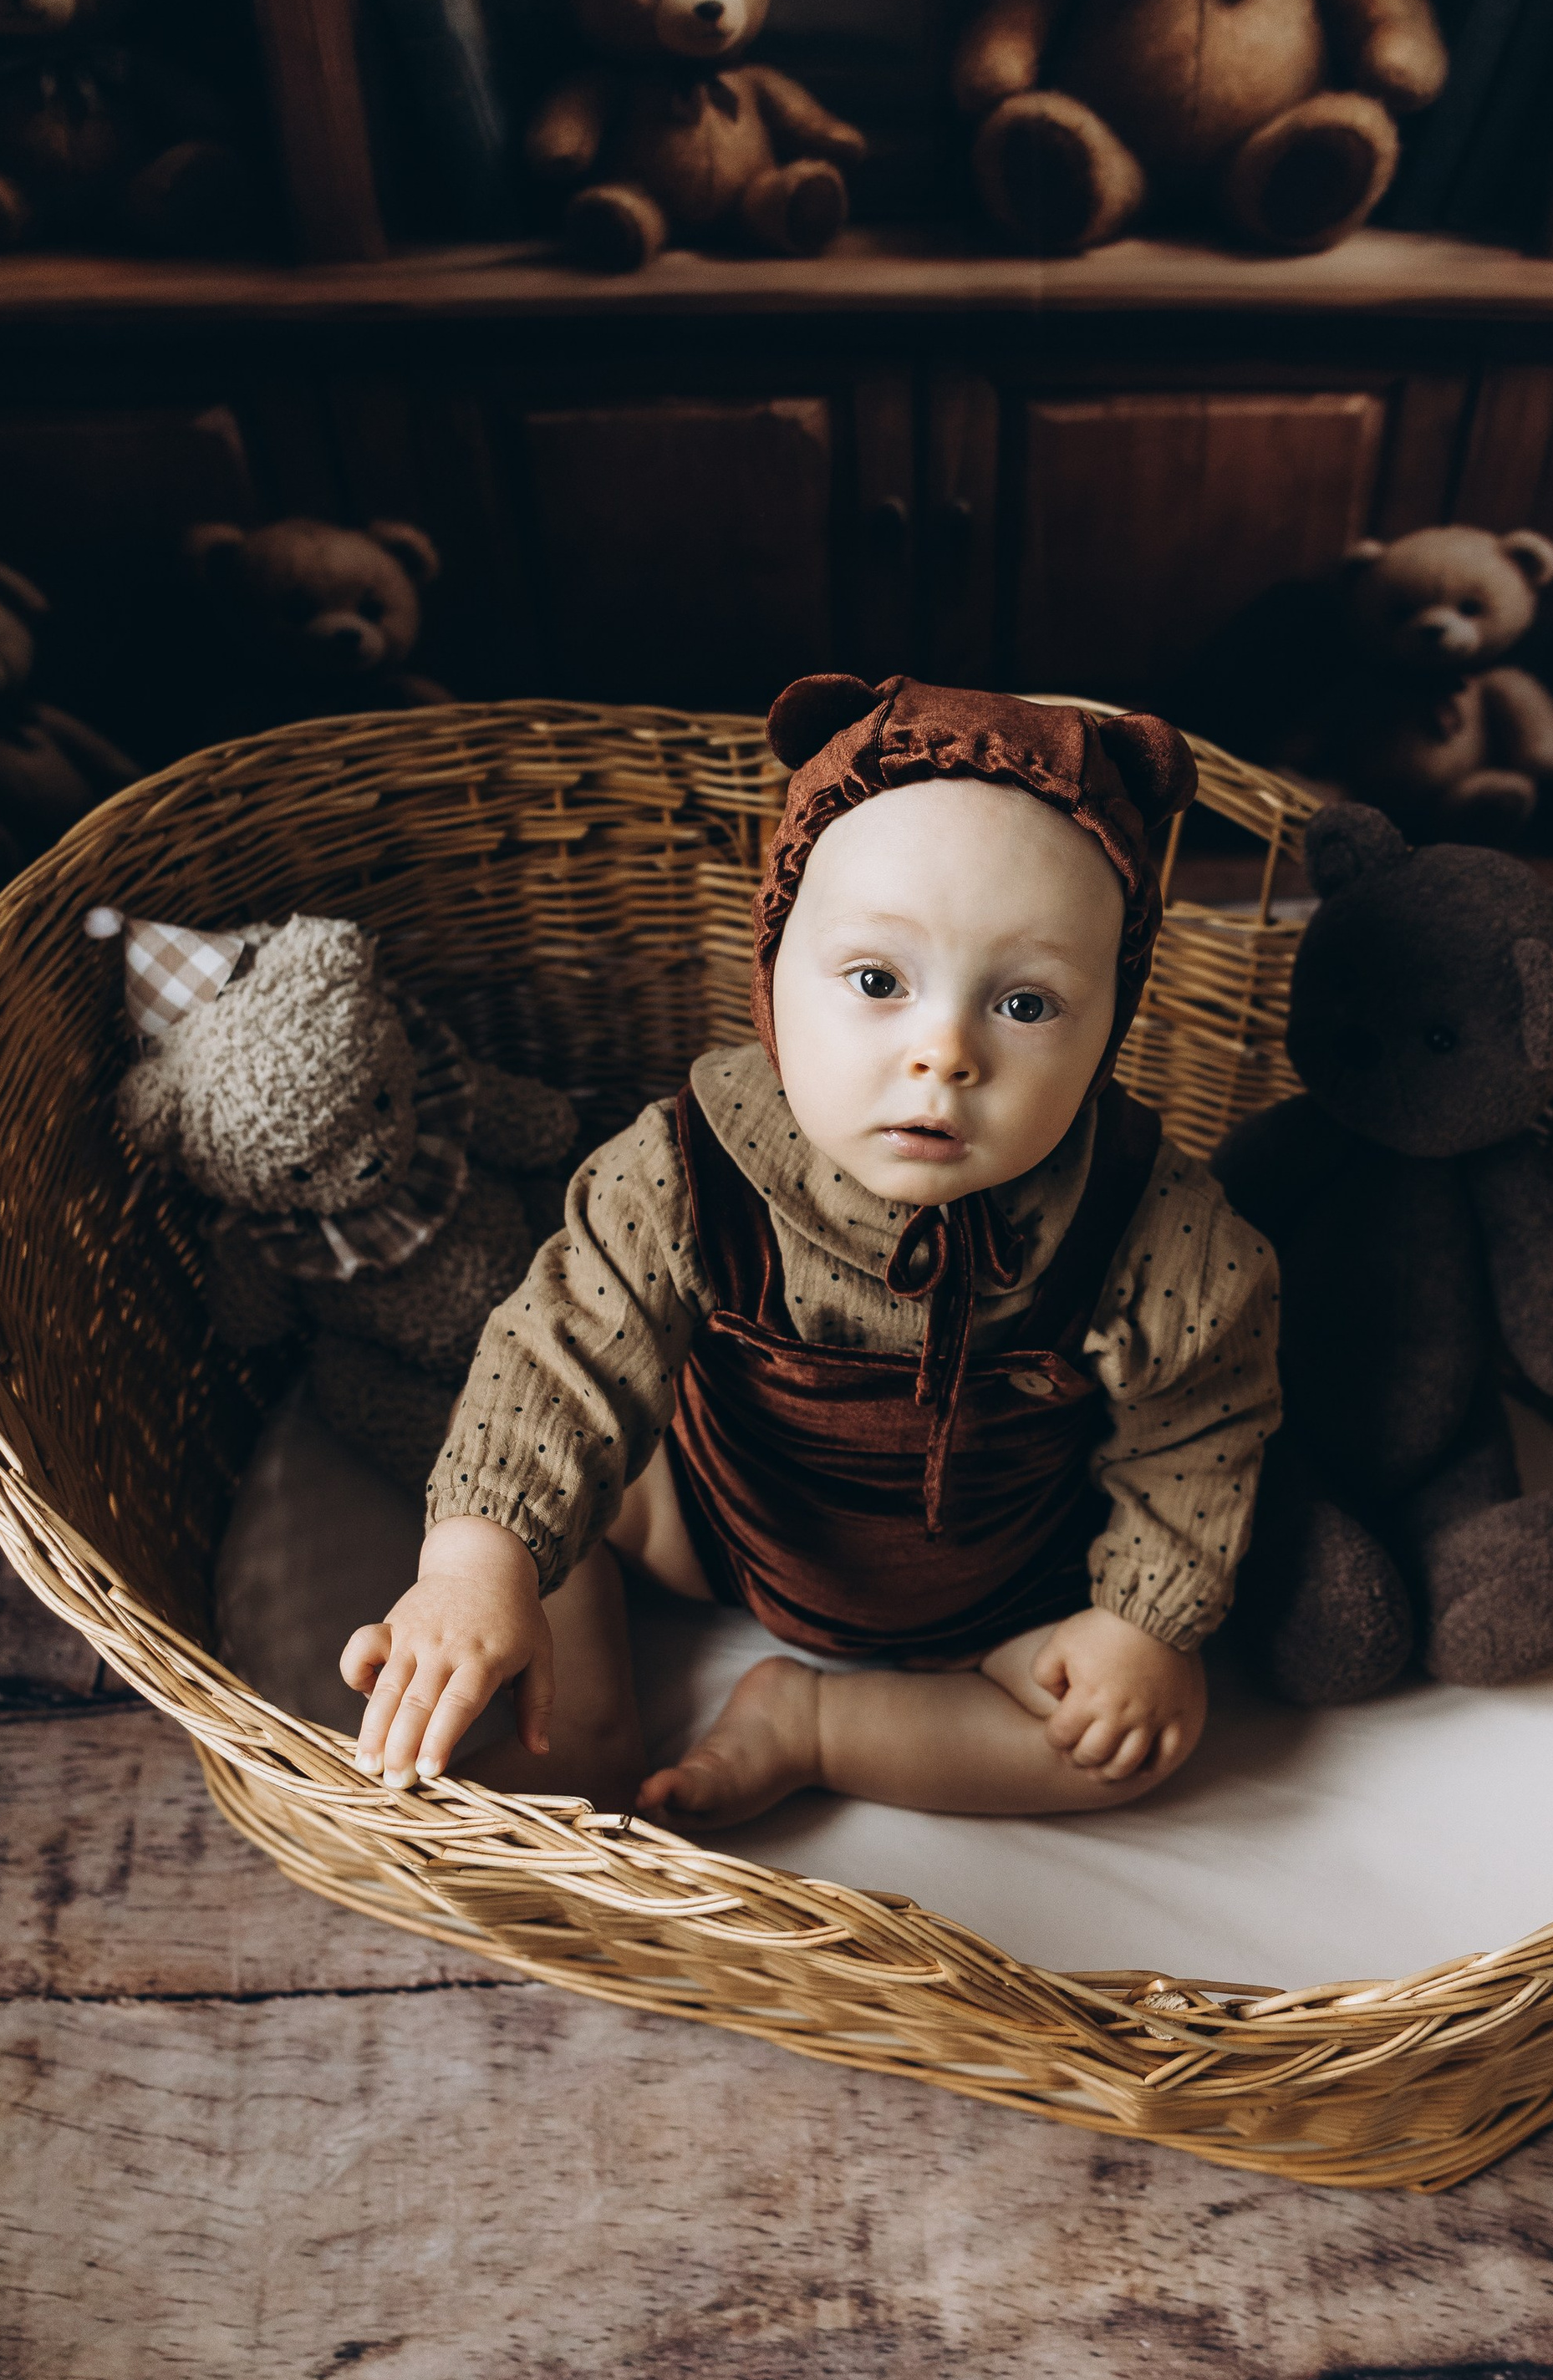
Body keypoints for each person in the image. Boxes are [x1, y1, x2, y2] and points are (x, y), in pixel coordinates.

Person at [340, 675, 1279, 1825]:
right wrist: (476, 1571)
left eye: (1027, 1005)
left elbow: (1200, 1427)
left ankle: (817, 1729)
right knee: (552, 1492)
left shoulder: (1155, 1225)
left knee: (1135, 1737)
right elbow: (561, 1357)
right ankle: (584, 1728)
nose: (945, 1052)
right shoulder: (690, 1168)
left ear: (1111, 1025)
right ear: (774, 973)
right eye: (878, 982)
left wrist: (1140, 1622)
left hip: (1007, 1602)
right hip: (709, 1525)